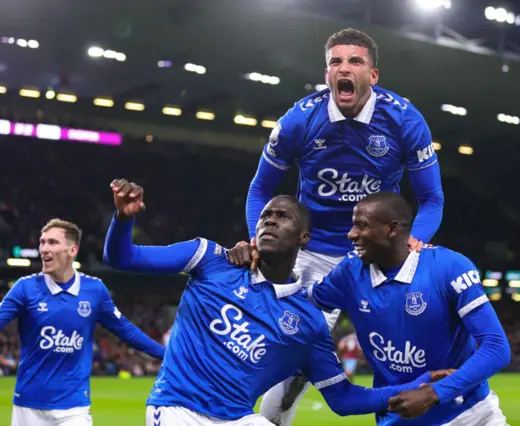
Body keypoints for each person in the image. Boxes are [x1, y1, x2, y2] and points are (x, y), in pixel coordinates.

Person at [103, 179, 449, 426]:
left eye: (282, 217)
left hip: (237, 418)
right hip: (177, 411)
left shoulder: (308, 322)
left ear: (304, 237)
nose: (269, 219)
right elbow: (122, 258)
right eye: (266, 215)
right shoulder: (210, 259)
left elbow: (343, 399)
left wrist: (414, 386)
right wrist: (123, 219)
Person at [244, 27, 444, 425]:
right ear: (327, 72)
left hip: (378, 256)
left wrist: (416, 241)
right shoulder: (299, 120)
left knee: (405, 358)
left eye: (355, 61)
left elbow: (432, 200)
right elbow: (260, 190)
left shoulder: (405, 120)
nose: (344, 68)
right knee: (292, 365)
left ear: (373, 75)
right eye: (336, 61)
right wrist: (259, 239)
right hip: (313, 255)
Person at [309, 192, 511, 425]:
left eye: (361, 226)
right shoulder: (349, 272)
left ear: (392, 229)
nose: (351, 234)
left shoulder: (449, 267)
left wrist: (434, 393)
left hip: (470, 415)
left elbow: (497, 347)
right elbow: (301, 303)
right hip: (398, 419)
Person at [0, 218, 165, 426]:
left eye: (52, 242)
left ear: (72, 250)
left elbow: (126, 331)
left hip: (74, 408)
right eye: (42, 242)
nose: (43, 249)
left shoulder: (94, 290)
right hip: (29, 406)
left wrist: (167, 356)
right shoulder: (25, 288)